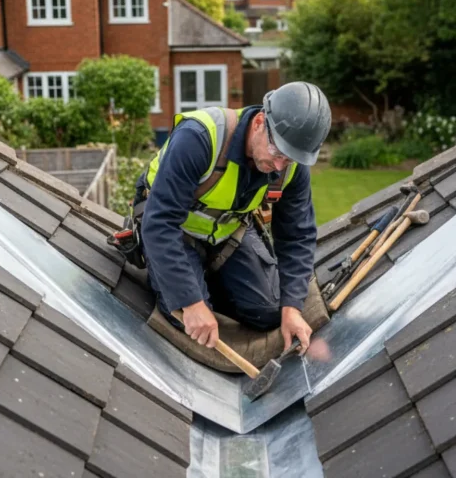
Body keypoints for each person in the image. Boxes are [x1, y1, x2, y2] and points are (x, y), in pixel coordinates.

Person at [134, 82, 332, 355]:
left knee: (270, 313)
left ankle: (207, 281)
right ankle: (192, 283)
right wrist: (191, 301)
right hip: (174, 232)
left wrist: (292, 307)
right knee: (190, 323)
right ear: (261, 122)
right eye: (277, 154)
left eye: (287, 160)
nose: (278, 167)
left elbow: (297, 235)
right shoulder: (199, 138)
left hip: (227, 233)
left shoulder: (291, 165)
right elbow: (159, 223)